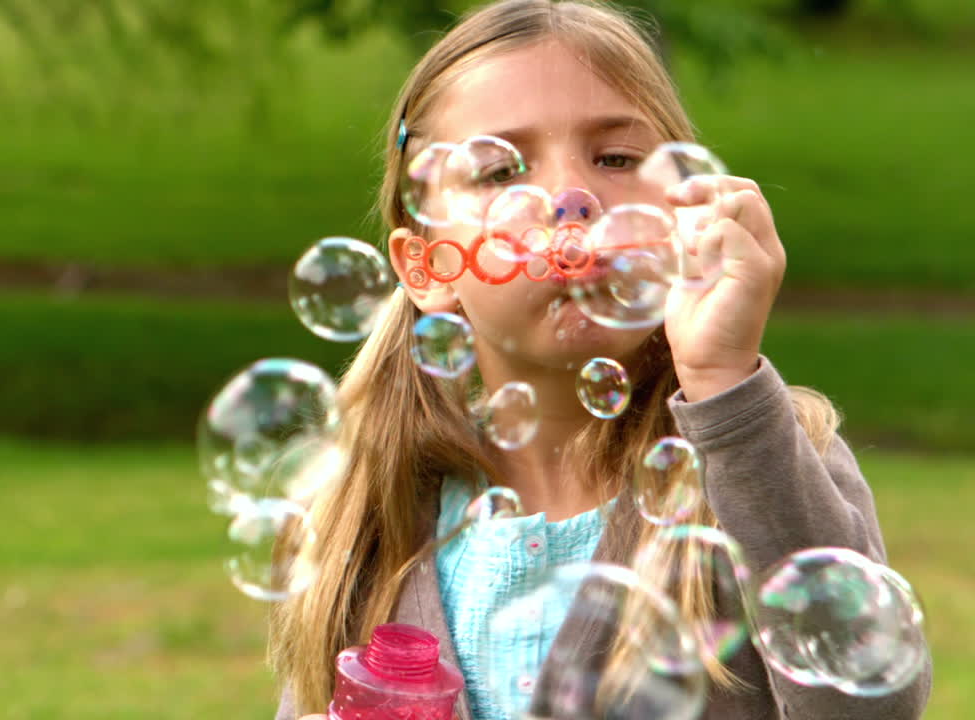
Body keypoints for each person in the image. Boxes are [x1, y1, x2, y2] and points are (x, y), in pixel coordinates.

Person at [269, 1, 931, 718]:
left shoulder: (764, 464)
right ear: (427, 266)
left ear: (687, 211)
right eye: (498, 172)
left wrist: (724, 383)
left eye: (616, 158)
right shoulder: (363, 513)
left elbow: (872, 706)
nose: (569, 200)